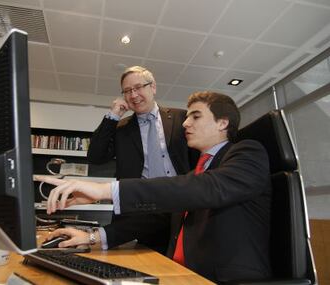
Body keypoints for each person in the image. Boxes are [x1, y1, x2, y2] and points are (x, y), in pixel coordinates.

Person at [35, 91, 272, 283]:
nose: (186, 123)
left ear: (223, 123)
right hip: (177, 273)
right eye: (187, 117)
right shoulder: (196, 174)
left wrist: (105, 189)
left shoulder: (247, 153)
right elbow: (156, 219)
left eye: (196, 117)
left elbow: (205, 188)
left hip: (222, 279)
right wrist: (92, 237)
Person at [86, 66, 198, 254]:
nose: (133, 94)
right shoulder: (121, 128)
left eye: (138, 87)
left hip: (183, 204)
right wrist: (113, 115)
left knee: (183, 261)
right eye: (127, 91)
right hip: (141, 211)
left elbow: (197, 159)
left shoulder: (181, 118)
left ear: (153, 87)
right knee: (144, 262)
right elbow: (95, 157)